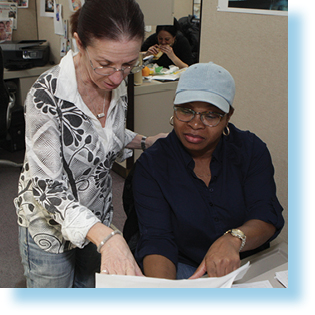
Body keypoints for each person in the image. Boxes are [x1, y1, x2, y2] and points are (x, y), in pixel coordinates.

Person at [15, 0, 166, 288]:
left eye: (128, 64)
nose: (117, 77)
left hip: (96, 213)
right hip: (50, 224)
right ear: (79, 44)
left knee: (89, 293)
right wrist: (107, 237)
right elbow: (48, 187)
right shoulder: (46, 96)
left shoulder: (115, 79)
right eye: (105, 64)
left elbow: (104, 133)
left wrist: (144, 141)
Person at [132, 62, 285, 280]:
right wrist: (164, 294)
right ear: (174, 108)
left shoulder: (251, 150)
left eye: (211, 115)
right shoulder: (152, 164)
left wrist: (233, 239)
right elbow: (157, 239)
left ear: (228, 116)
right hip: (186, 266)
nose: (195, 124)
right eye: (186, 111)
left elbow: (266, 215)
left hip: (246, 260)